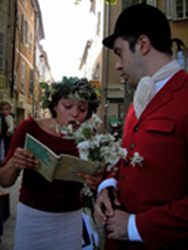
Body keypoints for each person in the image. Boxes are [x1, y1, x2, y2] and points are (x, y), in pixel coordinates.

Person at [95, 3, 188, 250]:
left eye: (119, 52)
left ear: (143, 45)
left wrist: (135, 226)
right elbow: (129, 158)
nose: (117, 65)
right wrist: (108, 186)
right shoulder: (140, 99)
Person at [0, 77, 102, 250]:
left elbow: (96, 182)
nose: (75, 114)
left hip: (71, 218)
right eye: (67, 106)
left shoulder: (90, 137)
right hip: (33, 216)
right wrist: (14, 164)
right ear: (55, 105)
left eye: (82, 109)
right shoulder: (29, 128)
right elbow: (4, 181)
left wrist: (96, 182)